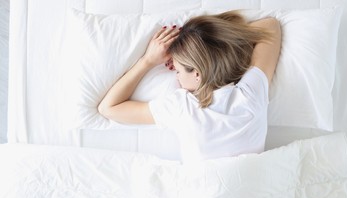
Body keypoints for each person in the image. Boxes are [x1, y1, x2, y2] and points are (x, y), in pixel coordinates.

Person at [98, 11, 281, 163]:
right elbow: (270, 26)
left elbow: (108, 108)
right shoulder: (251, 93)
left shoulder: (182, 108)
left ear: (197, 73)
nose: (176, 78)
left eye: (177, 71)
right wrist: (216, 39)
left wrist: (147, 61)